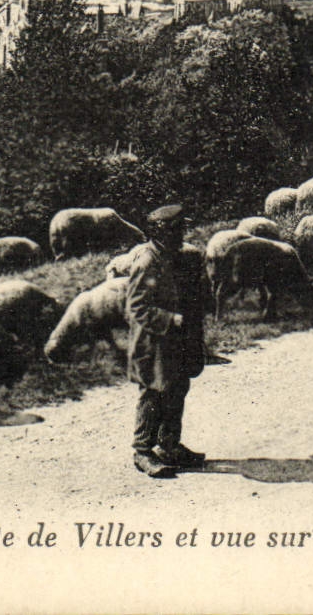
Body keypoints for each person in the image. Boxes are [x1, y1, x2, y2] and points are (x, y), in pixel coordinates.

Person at [124, 204, 208, 478]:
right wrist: (171, 319)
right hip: (153, 343)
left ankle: (169, 445)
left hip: (175, 342)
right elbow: (137, 307)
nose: (183, 234)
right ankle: (143, 451)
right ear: (163, 233)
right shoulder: (147, 260)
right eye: (178, 229)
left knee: (176, 389)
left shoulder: (172, 256)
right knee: (154, 394)